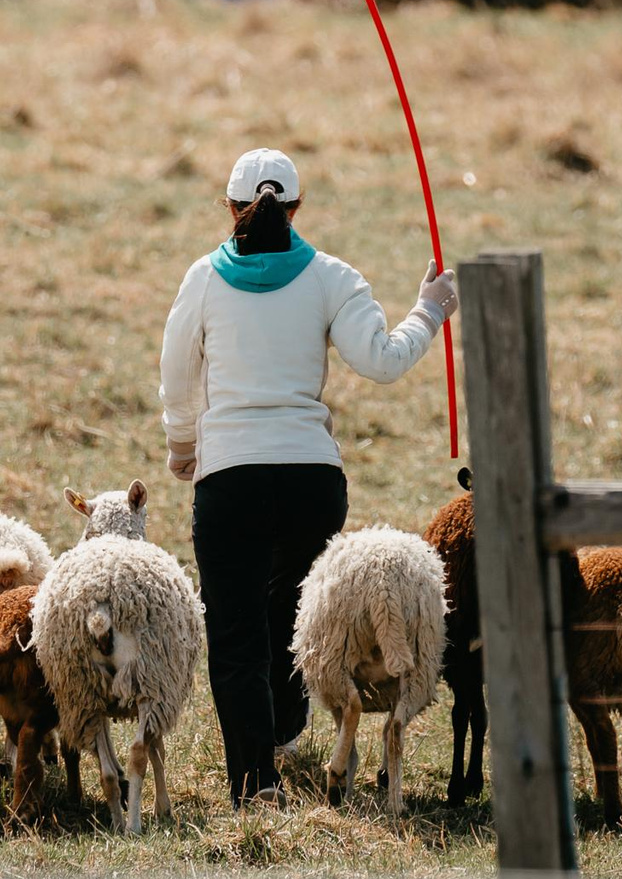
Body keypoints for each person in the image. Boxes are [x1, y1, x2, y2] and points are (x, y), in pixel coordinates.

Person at [159, 148, 458, 807]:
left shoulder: (202, 280)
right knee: (292, 609)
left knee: (235, 631)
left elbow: (177, 373)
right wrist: (430, 308)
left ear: (231, 207)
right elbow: (380, 361)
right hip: (310, 483)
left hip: (230, 479)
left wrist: (184, 446)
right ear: (296, 210)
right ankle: (287, 730)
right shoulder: (331, 277)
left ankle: (255, 783)